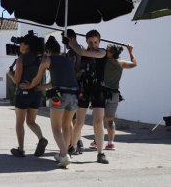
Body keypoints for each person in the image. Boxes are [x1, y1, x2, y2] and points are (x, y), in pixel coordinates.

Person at [23, 36, 79, 168]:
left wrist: (29, 86)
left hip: (59, 96)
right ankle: (63, 153)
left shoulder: (47, 60)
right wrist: (42, 88)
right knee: (66, 126)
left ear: (47, 51)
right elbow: (55, 82)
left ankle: (64, 155)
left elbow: (37, 79)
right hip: (74, 95)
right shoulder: (67, 60)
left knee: (55, 128)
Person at [68, 29, 109, 164]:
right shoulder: (82, 54)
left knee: (98, 122)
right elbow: (77, 62)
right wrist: (71, 42)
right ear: (87, 41)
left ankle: (100, 153)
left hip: (98, 89)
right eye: (90, 42)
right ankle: (72, 147)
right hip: (84, 89)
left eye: (95, 42)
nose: (93, 44)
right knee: (79, 122)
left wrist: (73, 45)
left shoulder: (102, 52)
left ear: (99, 41)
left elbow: (82, 51)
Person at [7, 33, 48, 158]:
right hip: (36, 93)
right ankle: (41, 138)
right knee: (31, 121)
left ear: (27, 45)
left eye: (22, 43)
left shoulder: (21, 59)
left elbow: (18, 81)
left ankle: (21, 149)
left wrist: (10, 75)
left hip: (23, 94)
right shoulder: (41, 58)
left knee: (20, 122)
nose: (20, 45)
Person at [103, 44, 137, 150]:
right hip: (114, 94)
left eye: (107, 50)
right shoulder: (121, 63)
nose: (105, 51)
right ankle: (111, 142)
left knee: (98, 118)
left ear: (112, 53)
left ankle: (97, 140)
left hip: (102, 93)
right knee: (110, 121)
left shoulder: (104, 61)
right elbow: (135, 64)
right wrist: (130, 51)